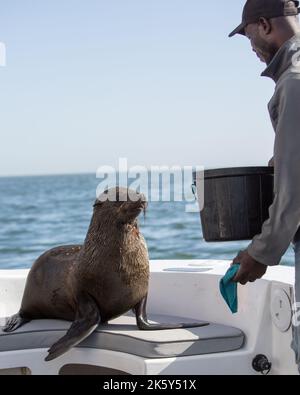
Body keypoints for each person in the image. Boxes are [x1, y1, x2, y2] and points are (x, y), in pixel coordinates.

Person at [229, 0, 300, 369]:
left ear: (264, 25)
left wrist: (261, 252)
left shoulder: (294, 80)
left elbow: (297, 186)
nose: (252, 49)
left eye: (249, 37)